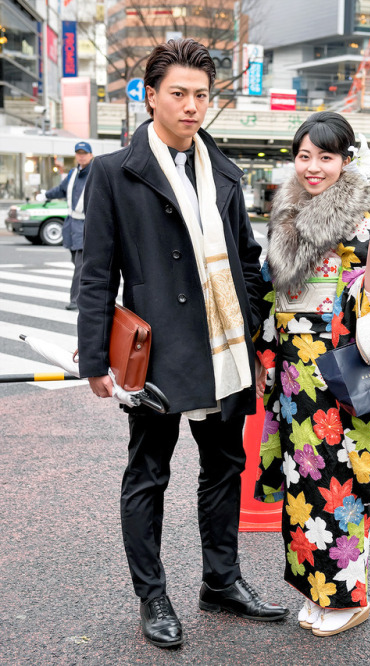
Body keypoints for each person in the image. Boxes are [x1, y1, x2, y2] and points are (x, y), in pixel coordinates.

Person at [77, 39, 288, 649]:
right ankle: (153, 595)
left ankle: (221, 580)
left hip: (225, 347)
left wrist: (250, 325)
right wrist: (96, 356)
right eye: (179, 94)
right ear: (151, 96)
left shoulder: (222, 168)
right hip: (159, 353)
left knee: (225, 466)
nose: (192, 106)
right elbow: (98, 273)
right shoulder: (116, 172)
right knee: (149, 471)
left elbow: (247, 259)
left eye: (201, 94)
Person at [254, 112, 370, 637]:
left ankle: (348, 594)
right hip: (294, 376)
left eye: (326, 156)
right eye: (304, 155)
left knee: (338, 485)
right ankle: (314, 588)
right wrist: (267, 353)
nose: (313, 166)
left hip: (338, 375)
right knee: (304, 485)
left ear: (346, 160)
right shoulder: (286, 206)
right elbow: (270, 291)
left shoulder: (364, 211)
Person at [37, 142, 94, 310]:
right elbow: (61, 190)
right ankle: (87, 295)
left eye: (84, 153)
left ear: (91, 155)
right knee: (77, 262)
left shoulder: (96, 173)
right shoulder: (73, 173)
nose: (81, 156)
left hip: (87, 225)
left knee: (80, 264)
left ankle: (76, 300)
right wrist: (45, 195)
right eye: (79, 153)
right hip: (71, 225)